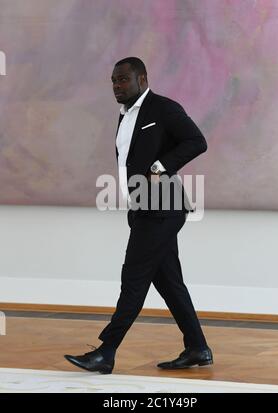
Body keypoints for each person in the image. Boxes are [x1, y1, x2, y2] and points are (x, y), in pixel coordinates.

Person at [64, 57, 213, 374]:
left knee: (132, 279)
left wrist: (160, 167)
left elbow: (197, 141)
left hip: (163, 208)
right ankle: (198, 347)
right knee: (170, 283)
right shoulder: (125, 115)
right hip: (144, 208)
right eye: (113, 81)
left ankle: (106, 352)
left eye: (123, 80)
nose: (117, 86)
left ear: (142, 79)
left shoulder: (163, 108)